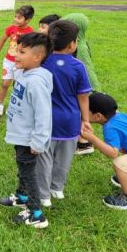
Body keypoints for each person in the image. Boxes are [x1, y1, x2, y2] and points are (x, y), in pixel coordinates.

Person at [0, 33, 53, 228]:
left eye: (22, 52)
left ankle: (36, 213)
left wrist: (38, 141)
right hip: (20, 134)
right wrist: (18, 62)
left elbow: (43, 115)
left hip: (29, 138)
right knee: (22, 168)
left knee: (29, 174)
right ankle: (21, 196)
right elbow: (15, 70)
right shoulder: (25, 73)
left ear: (37, 57)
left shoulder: (36, 82)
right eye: (16, 50)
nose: (16, 54)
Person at [35, 20, 92, 207]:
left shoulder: (41, 61)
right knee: (65, 157)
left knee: (44, 157)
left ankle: (43, 195)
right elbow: (83, 96)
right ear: (72, 44)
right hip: (70, 120)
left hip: (45, 119)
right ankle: (57, 188)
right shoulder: (78, 66)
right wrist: (85, 119)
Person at [81, 92, 127, 210]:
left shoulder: (110, 127)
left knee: (120, 164)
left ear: (98, 116)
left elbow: (113, 153)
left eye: (84, 111)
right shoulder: (120, 116)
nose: (82, 113)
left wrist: (92, 138)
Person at [63, 13, 102, 155]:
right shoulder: (82, 42)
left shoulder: (78, 47)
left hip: (83, 86)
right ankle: (82, 141)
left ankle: (84, 143)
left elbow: (82, 68)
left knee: (80, 114)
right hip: (84, 84)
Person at [0, 5, 35, 116]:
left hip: (21, 64)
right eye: (15, 16)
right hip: (8, 61)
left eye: (19, 18)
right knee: (5, 83)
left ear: (28, 20)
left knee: (17, 85)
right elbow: (2, 40)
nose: (15, 19)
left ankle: (15, 106)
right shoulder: (11, 28)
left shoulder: (31, 32)